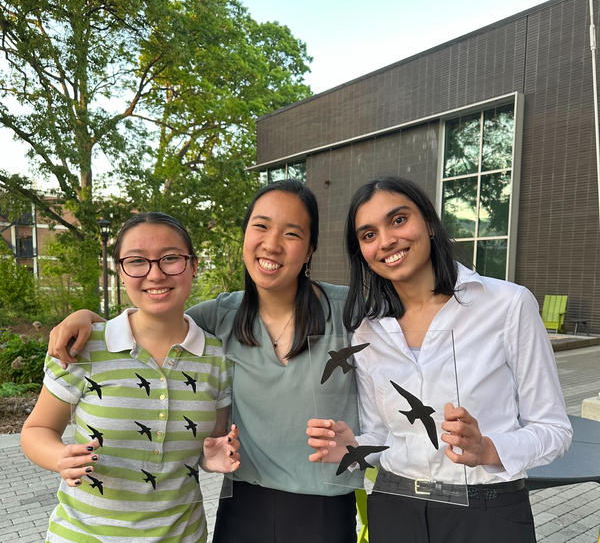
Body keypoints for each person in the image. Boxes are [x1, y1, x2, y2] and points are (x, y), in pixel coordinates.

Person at [46, 180, 358, 543]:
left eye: (292, 233)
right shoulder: (217, 317)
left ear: (309, 250)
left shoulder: (350, 311)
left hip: (324, 508)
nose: (271, 243)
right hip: (244, 503)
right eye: (261, 226)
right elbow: (152, 323)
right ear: (244, 237)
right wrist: (88, 317)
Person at [307, 175, 572, 543]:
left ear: (429, 223)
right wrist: (353, 449)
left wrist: (488, 448)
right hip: (394, 509)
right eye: (368, 235)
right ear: (362, 253)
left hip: (485, 514)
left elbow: (555, 430)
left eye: (398, 220)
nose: (386, 241)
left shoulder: (508, 305)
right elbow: (383, 435)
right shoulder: (367, 332)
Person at [22, 213, 240, 543]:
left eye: (170, 258)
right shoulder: (84, 346)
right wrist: (59, 457)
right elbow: (37, 430)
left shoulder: (215, 357)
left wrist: (213, 457)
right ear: (121, 272)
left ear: (193, 265)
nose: (155, 273)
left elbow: (213, 442)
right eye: (137, 261)